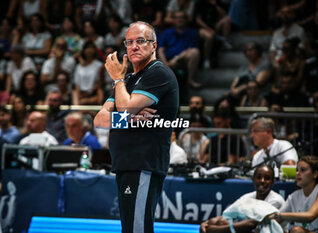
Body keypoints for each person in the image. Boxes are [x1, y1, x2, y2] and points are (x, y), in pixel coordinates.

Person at [94, 21, 179, 233]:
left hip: (143, 163)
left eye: (140, 41)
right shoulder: (130, 80)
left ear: (154, 45)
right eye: (129, 42)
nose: (133, 47)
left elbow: (123, 108)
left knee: (137, 229)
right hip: (127, 164)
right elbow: (99, 120)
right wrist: (127, 117)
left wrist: (117, 80)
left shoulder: (158, 73)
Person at [200, 165, 285, 233]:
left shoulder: (276, 200)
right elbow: (227, 215)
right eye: (259, 177)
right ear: (253, 179)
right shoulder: (247, 197)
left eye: (267, 178)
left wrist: (214, 230)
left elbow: (252, 224)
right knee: (220, 221)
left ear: (273, 182)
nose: (262, 181)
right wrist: (206, 223)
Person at [265, 156, 318, 232]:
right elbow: (276, 220)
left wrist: (279, 215)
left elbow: (310, 216)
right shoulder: (293, 196)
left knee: (296, 230)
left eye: (303, 170)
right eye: (297, 170)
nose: (298, 173)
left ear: (315, 174)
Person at [158, 10, 201, 88]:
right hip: (167, 60)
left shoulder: (192, 33)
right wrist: (165, 64)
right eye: (177, 18)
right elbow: (160, 49)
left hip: (182, 60)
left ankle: (190, 80)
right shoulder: (167, 32)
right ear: (174, 20)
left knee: (195, 52)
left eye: (182, 17)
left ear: (186, 20)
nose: (179, 20)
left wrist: (176, 59)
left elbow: (191, 49)